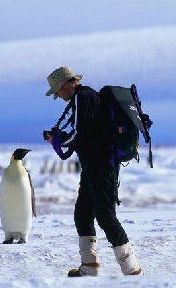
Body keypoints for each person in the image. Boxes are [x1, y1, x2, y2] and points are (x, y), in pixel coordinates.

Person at [44, 67, 142, 277]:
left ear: (68, 83)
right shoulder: (84, 98)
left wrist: (58, 140)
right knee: (83, 212)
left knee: (105, 215)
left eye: (58, 90)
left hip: (101, 165)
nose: (58, 96)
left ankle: (132, 270)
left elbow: (80, 134)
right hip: (93, 165)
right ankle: (89, 266)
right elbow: (87, 130)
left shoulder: (83, 97)